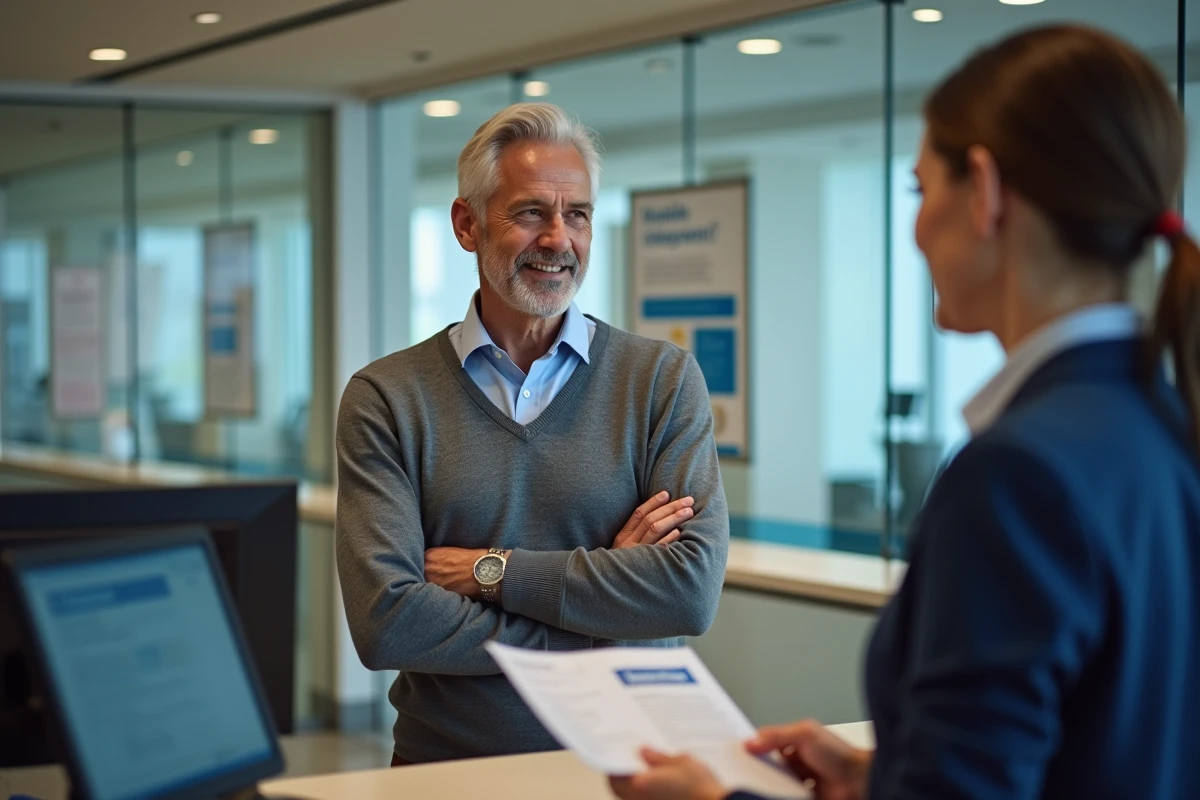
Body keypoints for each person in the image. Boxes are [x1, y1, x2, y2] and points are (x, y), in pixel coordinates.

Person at [610, 24, 1200, 800]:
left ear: (985, 190)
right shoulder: (1164, 425)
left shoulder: (1017, 475)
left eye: (921, 192)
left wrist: (713, 799)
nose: (916, 230)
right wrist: (881, 776)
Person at [335, 103, 729, 765]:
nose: (558, 239)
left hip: (631, 768)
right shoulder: (387, 398)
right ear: (467, 224)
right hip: (449, 773)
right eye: (530, 213)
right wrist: (603, 620)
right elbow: (388, 624)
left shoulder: (660, 380)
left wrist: (490, 571)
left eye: (577, 214)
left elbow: (687, 593)